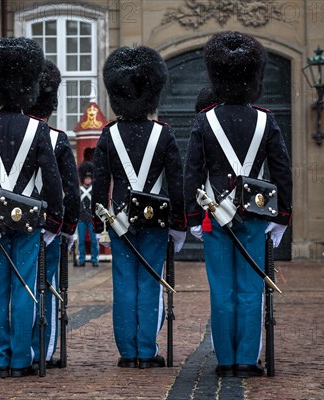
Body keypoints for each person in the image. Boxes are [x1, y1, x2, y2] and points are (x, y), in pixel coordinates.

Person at [184, 31, 292, 378]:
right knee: (250, 288)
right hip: (256, 215)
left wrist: (191, 216)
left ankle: (225, 360)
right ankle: (246, 359)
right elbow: (282, 171)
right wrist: (283, 216)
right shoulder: (265, 119)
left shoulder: (205, 120)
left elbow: (192, 172)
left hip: (216, 214)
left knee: (221, 289)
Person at [0, 37, 63, 378]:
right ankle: (21, 358)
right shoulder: (38, 129)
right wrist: (54, 221)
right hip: (30, 223)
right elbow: (52, 183)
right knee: (24, 291)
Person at [92, 45, 187, 369]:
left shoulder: (109, 135)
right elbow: (177, 182)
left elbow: (100, 183)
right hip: (156, 222)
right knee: (149, 283)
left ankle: (127, 351)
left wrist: (96, 222)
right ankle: (146, 351)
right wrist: (179, 222)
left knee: (124, 284)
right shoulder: (164, 135)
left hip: (120, 220)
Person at [24, 60, 80, 368]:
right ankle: (41, 351)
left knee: (22, 289)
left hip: (16, 222)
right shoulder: (56, 138)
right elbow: (70, 190)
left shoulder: (15, 132)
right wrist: (68, 227)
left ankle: (22, 350)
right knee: (47, 288)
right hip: (50, 225)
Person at [77, 165, 99, 267]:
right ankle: (82, 259)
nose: (88, 180)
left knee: (94, 241)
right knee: (81, 241)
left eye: (89, 178)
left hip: (91, 218)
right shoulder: (79, 190)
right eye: (86, 178)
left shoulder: (94, 190)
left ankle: (94, 259)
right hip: (81, 218)